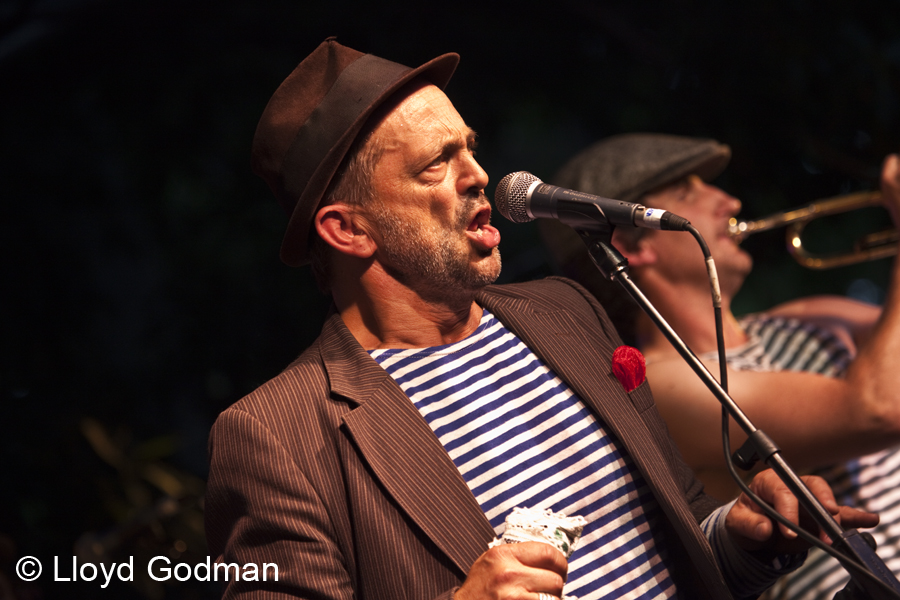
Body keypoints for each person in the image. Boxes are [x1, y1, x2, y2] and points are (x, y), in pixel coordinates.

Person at [204, 41, 875, 600]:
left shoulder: (564, 314)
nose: (479, 176)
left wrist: (740, 534)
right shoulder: (275, 436)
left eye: (468, 148)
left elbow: (686, 534)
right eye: (438, 162)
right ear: (348, 230)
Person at [539, 132, 900, 600]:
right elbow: (878, 409)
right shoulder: (661, 389)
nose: (729, 201)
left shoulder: (808, 317)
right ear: (631, 244)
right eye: (690, 193)